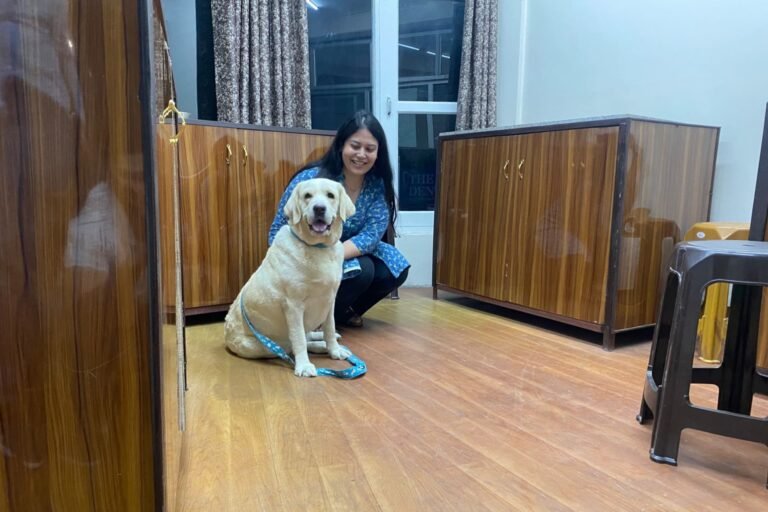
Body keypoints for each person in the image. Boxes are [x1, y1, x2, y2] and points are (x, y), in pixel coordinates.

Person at [268, 110, 410, 327]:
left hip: (348, 252)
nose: (361, 154)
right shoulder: (310, 178)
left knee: (394, 269)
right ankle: (308, 322)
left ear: (378, 153)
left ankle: (340, 315)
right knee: (362, 271)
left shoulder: (377, 185)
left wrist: (334, 255)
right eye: (355, 146)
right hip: (306, 256)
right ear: (342, 145)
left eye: (370, 149)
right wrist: (306, 260)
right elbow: (279, 227)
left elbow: (372, 236)